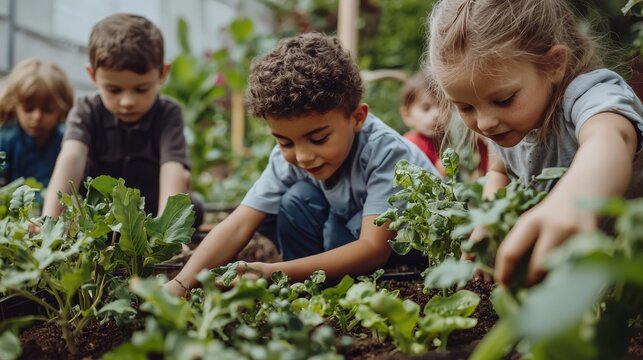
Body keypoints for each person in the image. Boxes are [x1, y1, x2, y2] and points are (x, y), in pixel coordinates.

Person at [166, 33, 437, 296]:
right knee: (297, 201)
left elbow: (372, 247)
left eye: (318, 139)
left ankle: (319, 282)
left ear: (357, 118)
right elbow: (238, 224)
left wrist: (273, 273)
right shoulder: (293, 155)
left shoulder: (385, 152)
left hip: (406, 248)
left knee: (337, 230)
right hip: (350, 232)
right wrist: (179, 285)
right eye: (285, 143)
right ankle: (308, 291)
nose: (303, 156)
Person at [427, 0, 643, 287]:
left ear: (553, 64)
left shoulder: (591, 97)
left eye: (503, 100)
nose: (485, 123)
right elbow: (499, 172)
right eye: (466, 108)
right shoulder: (509, 125)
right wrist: (488, 220)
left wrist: (573, 201)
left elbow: (610, 139)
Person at [43, 13, 203, 227]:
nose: (127, 101)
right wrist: (50, 222)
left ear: (162, 73)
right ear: (93, 76)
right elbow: (71, 158)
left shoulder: (167, 113)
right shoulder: (86, 110)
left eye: (141, 89)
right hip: (100, 216)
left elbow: (172, 168)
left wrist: (166, 233)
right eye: (114, 90)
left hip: (151, 214)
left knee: (193, 204)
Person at [0, 58, 74, 188]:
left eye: (48, 110)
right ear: (14, 105)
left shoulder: (66, 142)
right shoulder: (5, 140)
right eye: (28, 109)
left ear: (62, 109)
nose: (37, 117)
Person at [399, 71, 489, 178]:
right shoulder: (410, 145)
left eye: (443, 107)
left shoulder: (451, 138)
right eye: (426, 108)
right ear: (407, 115)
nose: (436, 114)